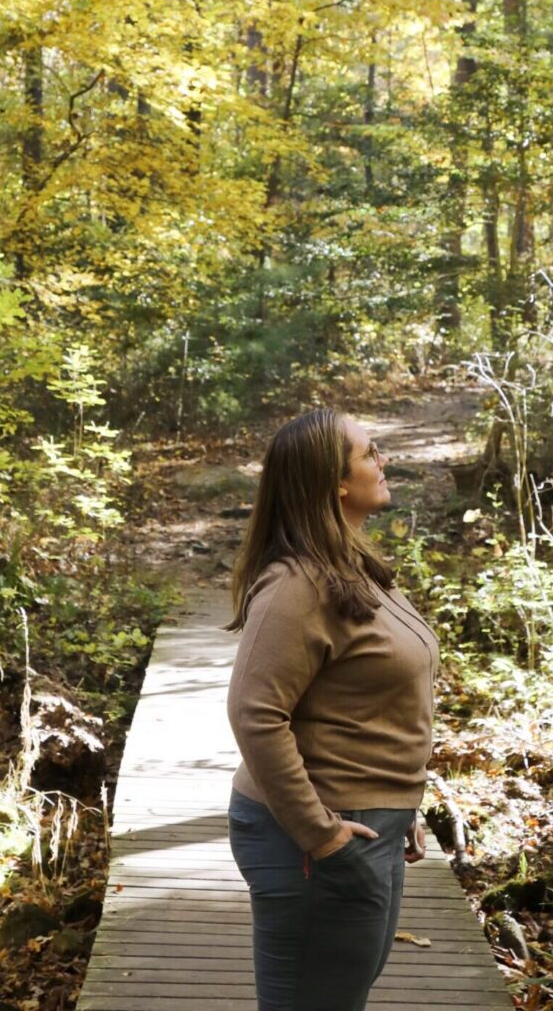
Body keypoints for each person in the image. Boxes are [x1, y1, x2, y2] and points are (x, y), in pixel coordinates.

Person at [225, 408, 438, 1011]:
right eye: (370, 453)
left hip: (371, 822)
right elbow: (254, 714)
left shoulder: (352, 567)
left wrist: (398, 802)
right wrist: (321, 836)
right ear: (334, 482)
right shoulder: (296, 585)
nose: (383, 460)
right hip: (314, 834)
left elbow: (373, 701)